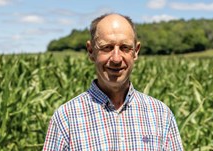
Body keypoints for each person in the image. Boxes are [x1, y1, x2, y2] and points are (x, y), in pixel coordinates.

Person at [43, 13, 183, 150]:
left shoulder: (161, 115)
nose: (116, 58)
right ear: (91, 51)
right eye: (107, 48)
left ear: (136, 51)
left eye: (125, 48)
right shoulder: (66, 118)